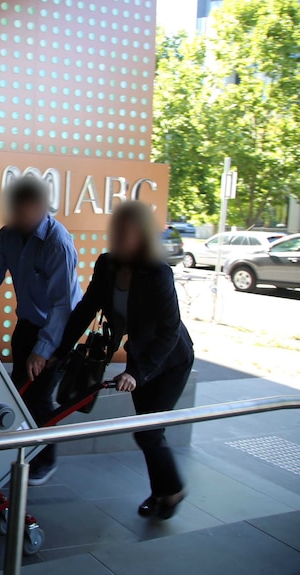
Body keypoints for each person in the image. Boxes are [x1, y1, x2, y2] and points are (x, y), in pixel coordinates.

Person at [55, 201, 194, 519]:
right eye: (116, 230)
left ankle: (170, 491)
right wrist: (59, 351)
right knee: (147, 431)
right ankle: (165, 491)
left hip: (169, 360)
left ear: (141, 235)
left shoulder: (158, 273)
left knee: (147, 431)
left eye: (126, 232)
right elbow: (86, 309)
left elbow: (170, 331)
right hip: (142, 358)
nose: (118, 237)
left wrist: (136, 373)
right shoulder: (107, 264)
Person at [0, 174, 82, 485]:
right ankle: (20, 453)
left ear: (38, 207)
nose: (14, 217)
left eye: (20, 210)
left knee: (39, 397)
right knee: (16, 392)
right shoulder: (8, 236)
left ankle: (45, 460)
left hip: (59, 330)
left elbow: (63, 305)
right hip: (27, 325)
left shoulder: (57, 243)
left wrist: (43, 350)